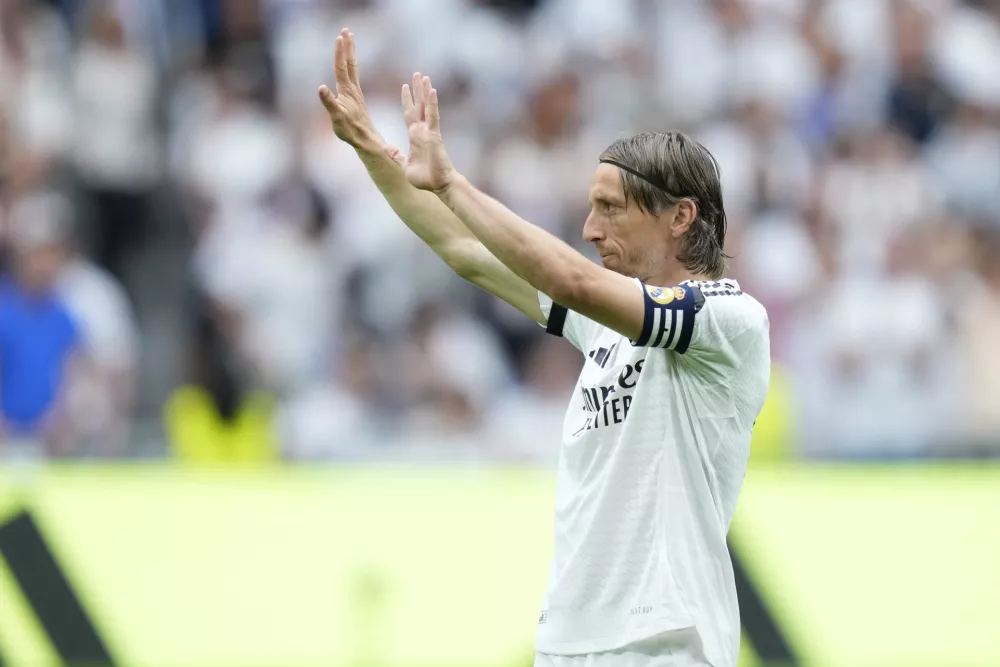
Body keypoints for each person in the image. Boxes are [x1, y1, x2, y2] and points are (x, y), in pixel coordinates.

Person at [318, 30, 770, 667]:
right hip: (568, 643)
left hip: (665, 643)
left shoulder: (728, 320)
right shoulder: (605, 326)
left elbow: (571, 278)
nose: (589, 230)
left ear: (679, 216)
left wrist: (450, 183)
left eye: (610, 209)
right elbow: (467, 252)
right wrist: (373, 151)